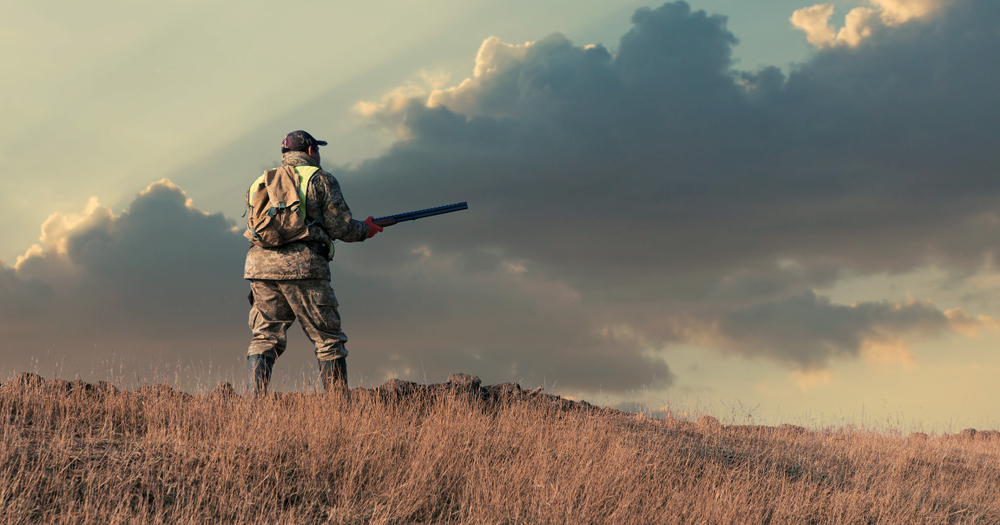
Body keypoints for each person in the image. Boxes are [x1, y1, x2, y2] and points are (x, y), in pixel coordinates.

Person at [243, 130, 382, 394]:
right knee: (328, 339)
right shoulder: (320, 179)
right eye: (317, 150)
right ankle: (338, 407)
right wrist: (366, 229)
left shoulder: (260, 182)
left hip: (259, 267)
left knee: (264, 337)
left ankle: (254, 403)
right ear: (310, 152)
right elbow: (341, 228)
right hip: (303, 267)